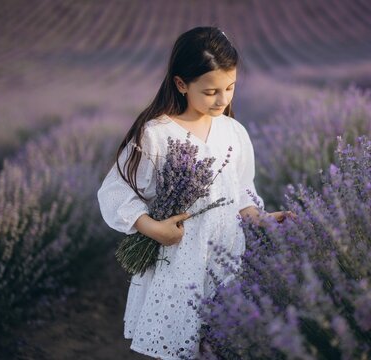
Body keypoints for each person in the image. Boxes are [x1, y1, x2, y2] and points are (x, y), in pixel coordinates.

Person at [97, 26, 294, 359]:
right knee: (179, 345)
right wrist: (152, 228)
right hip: (178, 264)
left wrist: (262, 219)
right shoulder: (157, 134)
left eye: (230, 88)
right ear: (181, 84)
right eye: (210, 91)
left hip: (226, 260)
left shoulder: (233, 132)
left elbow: (242, 193)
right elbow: (115, 192)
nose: (222, 99)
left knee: (221, 344)